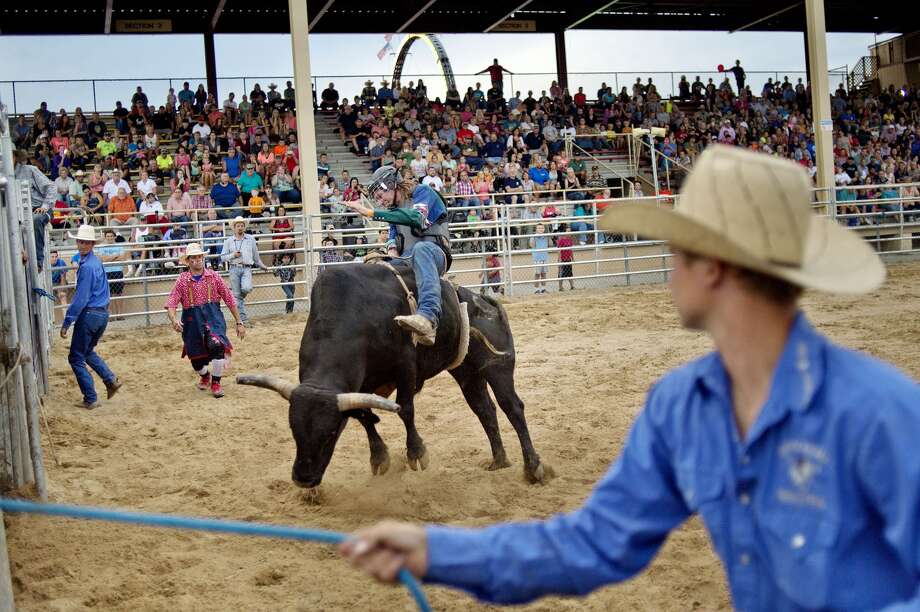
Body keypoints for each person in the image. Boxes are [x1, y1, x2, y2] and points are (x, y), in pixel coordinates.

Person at [339, 146, 920, 611]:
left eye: (680, 250)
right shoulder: (681, 405)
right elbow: (591, 542)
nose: (669, 266)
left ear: (716, 269)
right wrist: (438, 552)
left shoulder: (880, 413)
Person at [344, 165, 450, 346]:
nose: (379, 201)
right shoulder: (394, 211)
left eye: (380, 195)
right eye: (376, 199)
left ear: (391, 184)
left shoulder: (423, 192)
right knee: (373, 263)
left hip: (434, 253)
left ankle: (428, 317)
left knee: (421, 249)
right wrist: (390, 249)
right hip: (407, 258)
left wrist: (370, 213)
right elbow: (393, 236)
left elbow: (417, 218)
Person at [164, 243, 245, 399]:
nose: (197, 260)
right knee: (196, 360)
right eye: (193, 257)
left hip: (213, 317)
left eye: (199, 257)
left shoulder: (214, 276)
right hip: (191, 320)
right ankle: (205, 375)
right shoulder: (182, 280)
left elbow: (229, 299)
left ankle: (216, 382)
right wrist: (173, 319)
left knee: (216, 345)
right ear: (188, 261)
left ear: (203, 258)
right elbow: (172, 302)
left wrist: (239, 322)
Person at [60, 225, 122, 409]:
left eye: (86, 242)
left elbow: (80, 298)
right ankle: (110, 379)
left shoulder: (87, 266)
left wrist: (67, 321)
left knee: (76, 357)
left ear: (92, 244)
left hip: (89, 314)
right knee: (86, 351)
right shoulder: (95, 262)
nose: (82, 244)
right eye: (81, 241)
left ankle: (90, 397)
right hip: (101, 313)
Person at [219, 217, 269, 327]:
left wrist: (262, 265)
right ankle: (243, 320)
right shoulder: (228, 241)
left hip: (247, 267)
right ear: (234, 228)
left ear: (244, 227)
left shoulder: (250, 239)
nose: (240, 227)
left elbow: (256, 256)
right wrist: (233, 255)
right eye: (238, 226)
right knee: (237, 296)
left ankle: (239, 301)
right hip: (234, 268)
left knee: (246, 288)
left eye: (242, 225)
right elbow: (222, 257)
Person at [13, 149, 56, 270]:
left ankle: (38, 261)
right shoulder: (3, 175)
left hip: (38, 208)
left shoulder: (30, 170)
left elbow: (51, 186)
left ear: (15, 157)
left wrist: (45, 206)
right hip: (16, 212)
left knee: (36, 219)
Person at [528, 222, 549, 294]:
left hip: (544, 258)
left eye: (542, 228)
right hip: (537, 258)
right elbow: (531, 245)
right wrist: (535, 236)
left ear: (544, 229)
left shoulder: (546, 236)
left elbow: (551, 244)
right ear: (536, 229)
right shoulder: (533, 236)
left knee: (544, 273)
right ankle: (536, 289)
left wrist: (548, 236)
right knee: (537, 274)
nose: (541, 229)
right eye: (539, 228)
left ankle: (543, 288)